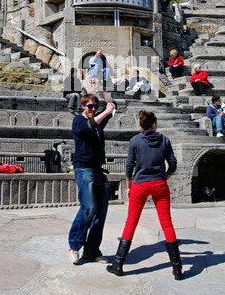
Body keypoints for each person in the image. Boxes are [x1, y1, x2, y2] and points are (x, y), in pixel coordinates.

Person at [107, 110, 182, 280]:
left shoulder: (135, 141)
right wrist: (166, 176)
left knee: (131, 223)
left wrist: (129, 185)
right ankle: (177, 268)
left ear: (141, 125)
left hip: (140, 184)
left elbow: (129, 166)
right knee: (167, 224)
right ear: (154, 124)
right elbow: (173, 163)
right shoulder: (164, 139)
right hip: (159, 184)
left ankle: (118, 264)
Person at [68, 78, 116, 264]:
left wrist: (101, 90)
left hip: (98, 171)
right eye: (90, 106)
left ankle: (92, 250)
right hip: (84, 169)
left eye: (95, 106)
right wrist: (105, 112)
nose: (93, 109)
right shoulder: (78, 121)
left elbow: (112, 104)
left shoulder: (98, 121)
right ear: (82, 106)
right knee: (89, 207)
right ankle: (74, 246)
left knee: (101, 212)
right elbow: (89, 127)